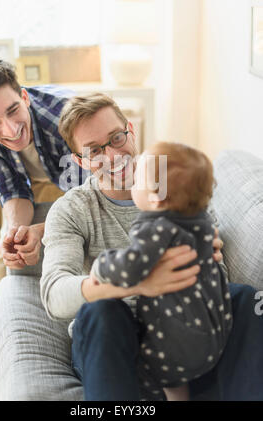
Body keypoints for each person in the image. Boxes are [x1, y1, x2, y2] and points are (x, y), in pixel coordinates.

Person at [41, 93, 244, 401]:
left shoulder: (177, 185)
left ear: (130, 131)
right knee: (101, 310)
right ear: (81, 161)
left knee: (244, 298)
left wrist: (204, 264)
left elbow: (218, 273)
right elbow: (55, 294)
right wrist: (137, 284)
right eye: (95, 150)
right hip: (115, 345)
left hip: (182, 336)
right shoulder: (72, 210)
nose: (112, 156)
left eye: (116, 138)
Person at [0, 57, 87, 368]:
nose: (10, 129)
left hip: (82, 180)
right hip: (35, 178)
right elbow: (12, 188)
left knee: (77, 238)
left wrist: (43, 231)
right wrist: (17, 234)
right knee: (7, 246)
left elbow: (89, 198)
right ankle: (0, 326)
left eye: (13, 111)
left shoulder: (68, 114)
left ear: (25, 98)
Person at [90, 141, 232, 401]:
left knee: (143, 367)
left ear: (155, 199)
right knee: (176, 377)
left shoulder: (156, 229)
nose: (132, 183)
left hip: (175, 347)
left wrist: (101, 265)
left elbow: (130, 268)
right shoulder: (201, 221)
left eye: (137, 181)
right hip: (215, 337)